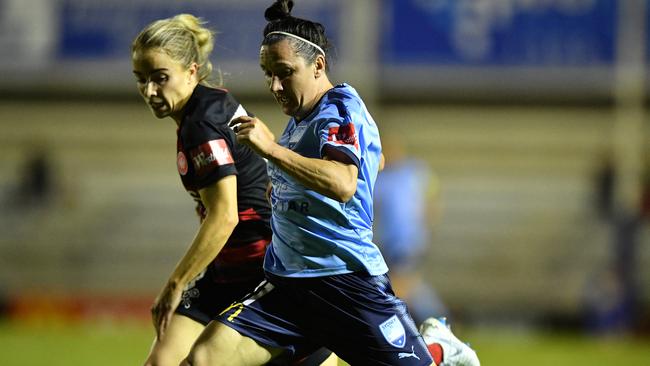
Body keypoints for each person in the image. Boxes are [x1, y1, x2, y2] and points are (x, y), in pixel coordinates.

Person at [182, 1, 479, 365]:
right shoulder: (301, 117)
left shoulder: (338, 106)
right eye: (267, 73)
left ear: (318, 65)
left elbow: (342, 182)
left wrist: (272, 150)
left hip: (344, 284)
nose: (274, 85)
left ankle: (439, 348)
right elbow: (371, 159)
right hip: (287, 286)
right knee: (204, 358)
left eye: (284, 72)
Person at [131, 14, 334, 366]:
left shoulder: (202, 125)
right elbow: (268, 146)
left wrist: (175, 283)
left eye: (160, 78)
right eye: (141, 80)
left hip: (262, 268)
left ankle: (435, 352)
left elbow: (224, 216)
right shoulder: (216, 102)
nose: (150, 91)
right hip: (228, 270)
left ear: (191, 71)